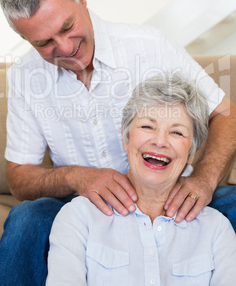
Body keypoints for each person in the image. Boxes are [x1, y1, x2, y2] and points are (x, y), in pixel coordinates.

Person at [0, 0, 236, 285]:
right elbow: (18, 176)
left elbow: (225, 114)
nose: (64, 48)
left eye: (66, 27)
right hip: (87, 206)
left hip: (172, 193)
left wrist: (204, 178)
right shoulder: (25, 76)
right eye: (43, 43)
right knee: (26, 220)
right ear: (24, 38)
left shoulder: (149, 47)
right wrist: (77, 177)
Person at [46, 74, 236, 285]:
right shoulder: (79, 217)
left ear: (191, 153)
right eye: (147, 126)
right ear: (125, 137)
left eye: (177, 132)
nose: (160, 141)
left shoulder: (216, 228)